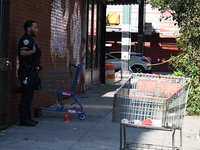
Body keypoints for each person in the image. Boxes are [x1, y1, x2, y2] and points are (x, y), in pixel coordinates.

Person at [18, 20, 42, 126]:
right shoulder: (26, 40)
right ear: (29, 28)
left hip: (31, 72)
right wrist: (34, 51)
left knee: (29, 96)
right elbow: (23, 53)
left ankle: (27, 118)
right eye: (35, 27)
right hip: (26, 72)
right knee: (26, 96)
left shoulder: (31, 40)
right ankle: (24, 119)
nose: (37, 30)